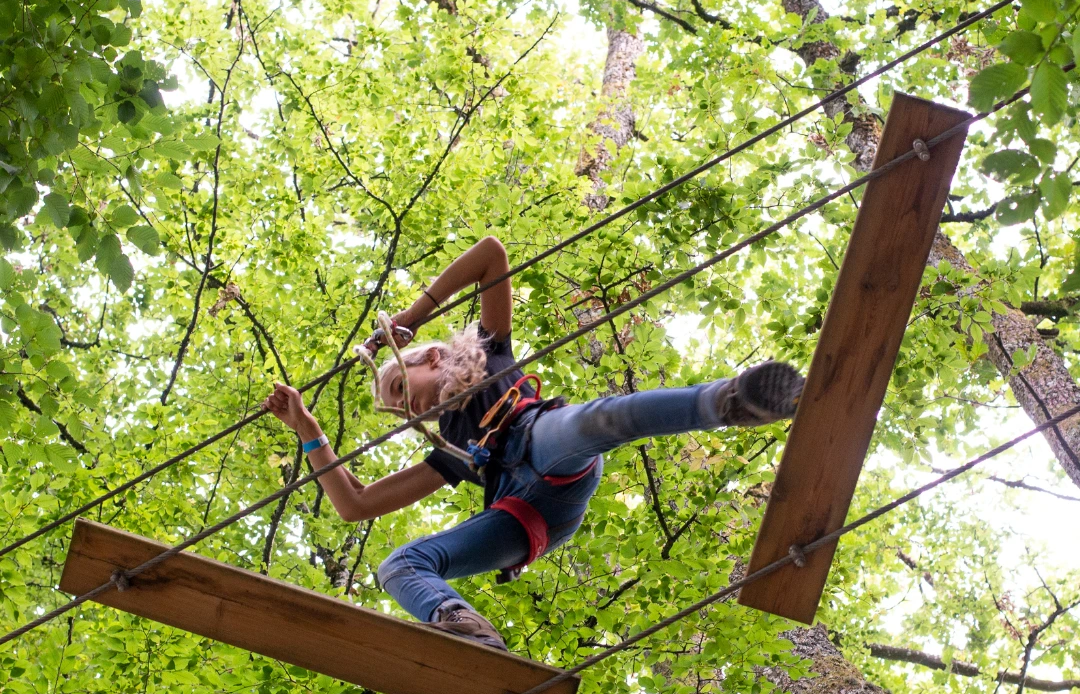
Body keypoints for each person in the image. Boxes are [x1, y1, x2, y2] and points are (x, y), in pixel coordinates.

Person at [262, 236, 803, 652]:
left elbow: (491, 256)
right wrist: (310, 431)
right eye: (398, 407)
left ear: (429, 359)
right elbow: (355, 504)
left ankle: (730, 402)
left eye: (402, 388)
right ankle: (460, 623)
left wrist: (408, 318)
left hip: (546, 444)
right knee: (398, 566)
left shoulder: (490, 352)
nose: (406, 407)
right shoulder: (447, 450)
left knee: (598, 422)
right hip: (523, 514)